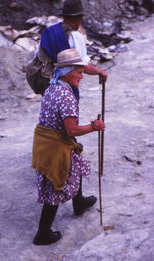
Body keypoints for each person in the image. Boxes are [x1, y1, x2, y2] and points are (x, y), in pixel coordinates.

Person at [32, 48, 105, 245]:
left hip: (44, 142)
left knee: (76, 157)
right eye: (79, 72)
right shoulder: (67, 97)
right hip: (54, 146)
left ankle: (78, 202)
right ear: (66, 71)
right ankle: (43, 234)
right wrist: (93, 126)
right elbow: (71, 130)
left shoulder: (52, 87)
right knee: (56, 185)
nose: (82, 76)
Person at [36, 0, 108, 97]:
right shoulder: (76, 37)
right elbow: (84, 67)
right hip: (67, 90)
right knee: (69, 112)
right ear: (77, 18)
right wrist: (101, 72)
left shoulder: (48, 33)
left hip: (49, 89)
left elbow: (39, 58)